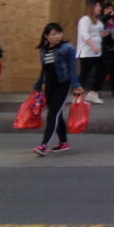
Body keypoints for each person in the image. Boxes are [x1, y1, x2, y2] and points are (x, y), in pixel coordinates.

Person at [32, 23, 84, 156]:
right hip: (49, 86)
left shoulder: (67, 48)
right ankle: (63, 142)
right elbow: (43, 70)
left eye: (59, 33)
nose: (57, 36)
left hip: (63, 84)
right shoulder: (43, 50)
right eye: (53, 34)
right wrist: (37, 86)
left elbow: (72, 68)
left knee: (52, 114)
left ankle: (44, 145)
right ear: (46, 36)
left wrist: (76, 85)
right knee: (57, 114)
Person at [76, 1, 105, 105]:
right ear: (92, 7)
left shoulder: (97, 20)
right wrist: (92, 45)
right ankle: (77, 96)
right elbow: (84, 34)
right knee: (85, 73)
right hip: (87, 51)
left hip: (97, 51)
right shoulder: (85, 19)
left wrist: (102, 35)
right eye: (98, 6)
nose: (100, 8)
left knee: (102, 71)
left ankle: (93, 93)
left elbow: (97, 33)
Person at [99, 4, 114, 97]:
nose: (110, 11)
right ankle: (97, 89)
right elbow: (103, 19)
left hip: (113, 48)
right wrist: (111, 13)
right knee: (103, 69)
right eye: (107, 9)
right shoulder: (101, 20)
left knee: (113, 70)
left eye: (111, 9)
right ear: (104, 10)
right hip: (104, 47)